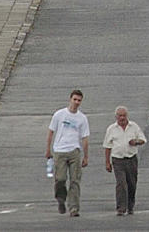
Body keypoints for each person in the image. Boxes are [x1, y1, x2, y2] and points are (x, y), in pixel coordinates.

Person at [47, 89, 90, 217]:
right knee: (60, 179)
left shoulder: (82, 118)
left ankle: (74, 208)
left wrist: (86, 156)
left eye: (79, 100)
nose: (76, 102)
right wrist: (48, 149)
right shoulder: (59, 115)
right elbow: (51, 132)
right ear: (70, 99)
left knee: (75, 180)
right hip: (59, 150)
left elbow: (85, 138)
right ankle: (61, 198)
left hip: (74, 151)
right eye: (74, 99)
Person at [103, 106, 146, 216]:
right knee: (121, 184)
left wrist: (136, 142)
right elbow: (107, 146)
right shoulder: (111, 129)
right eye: (120, 116)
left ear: (127, 116)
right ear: (116, 116)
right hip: (118, 160)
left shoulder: (134, 126)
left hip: (131, 159)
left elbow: (143, 140)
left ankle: (130, 206)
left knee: (131, 183)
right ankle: (121, 208)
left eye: (124, 115)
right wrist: (107, 162)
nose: (122, 118)